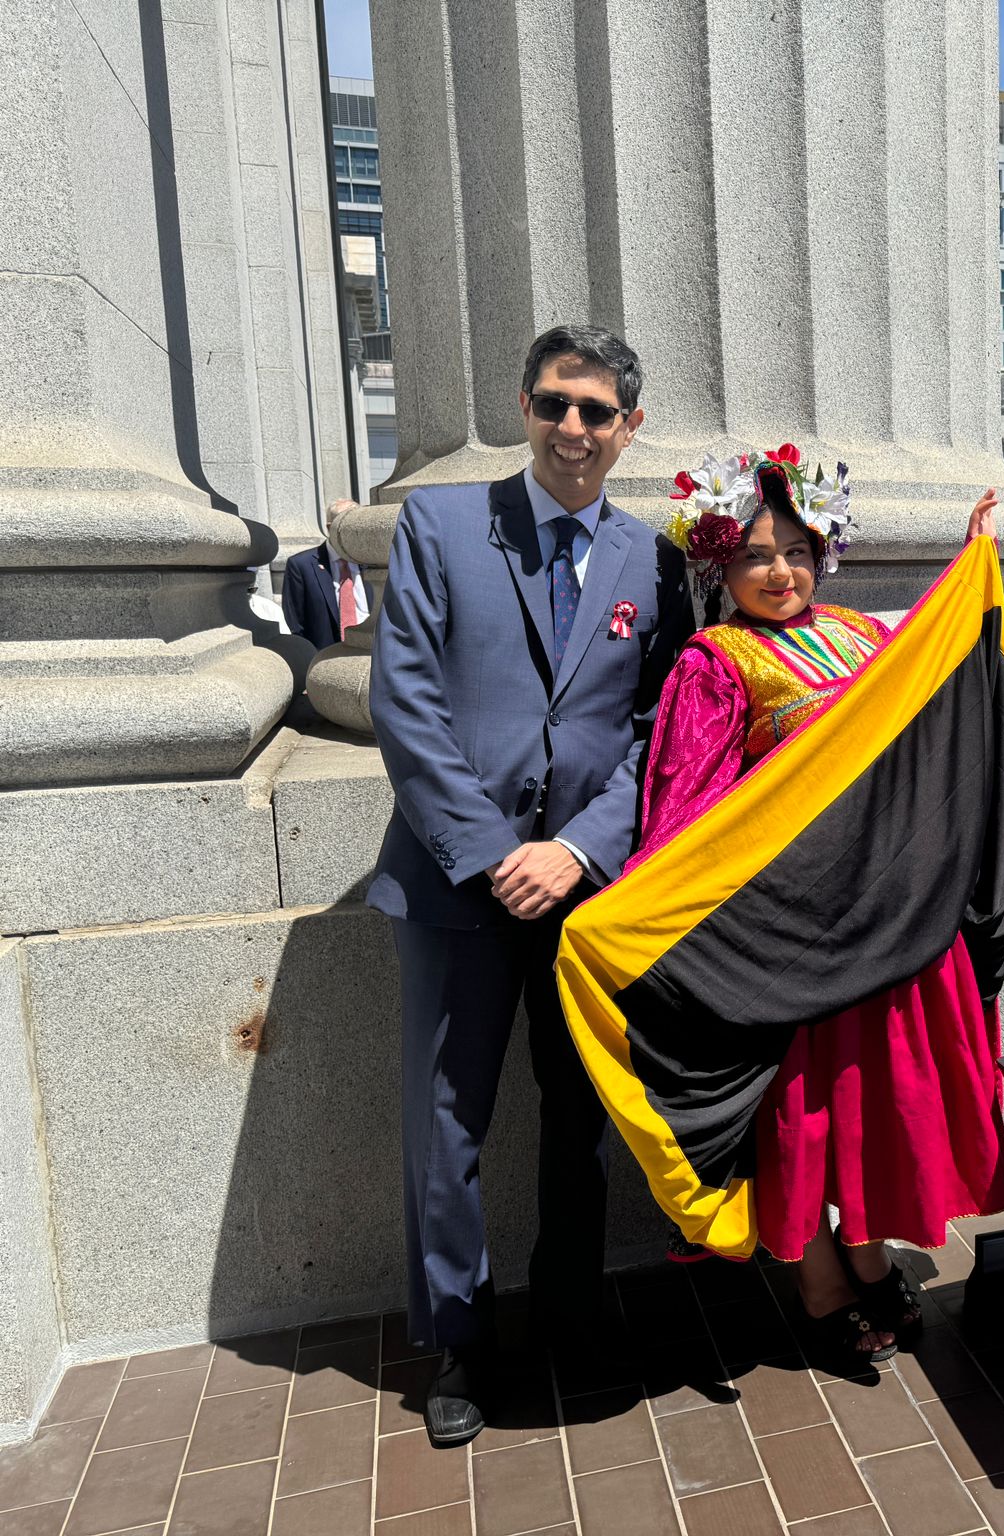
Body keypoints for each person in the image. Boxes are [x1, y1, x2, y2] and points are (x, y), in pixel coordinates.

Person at [557, 449, 1004, 1375]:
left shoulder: (857, 633)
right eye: (759, 556)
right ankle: (817, 1277)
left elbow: (921, 719)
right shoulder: (713, 662)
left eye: (800, 552)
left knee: (874, 1110)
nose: (782, 573)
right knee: (803, 1117)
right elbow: (685, 814)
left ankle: (866, 1249)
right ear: (719, 567)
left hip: (884, 924)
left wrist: (969, 579)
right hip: (793, 936)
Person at [367, 325, 693, 1446]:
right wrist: (492, 849)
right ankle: (458, 1338)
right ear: (523, 404)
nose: (572, 429)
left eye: (596, 412)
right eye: (555, 403)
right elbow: (405, 702)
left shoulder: (655, 564)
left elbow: (661, 735)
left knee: (577, 1116)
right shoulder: (444, 525)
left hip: (586, 895)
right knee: (444, 1121)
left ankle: (570, 1308)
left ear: (627, 429)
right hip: (457, 885)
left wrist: (579, 851)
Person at [283, 498, 370, 650]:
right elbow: (296, 623)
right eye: (345, 525)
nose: (353, 531)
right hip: (326, 658)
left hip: (372, 653)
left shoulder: (373, 563)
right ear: (330, 527)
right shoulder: (301, 566)